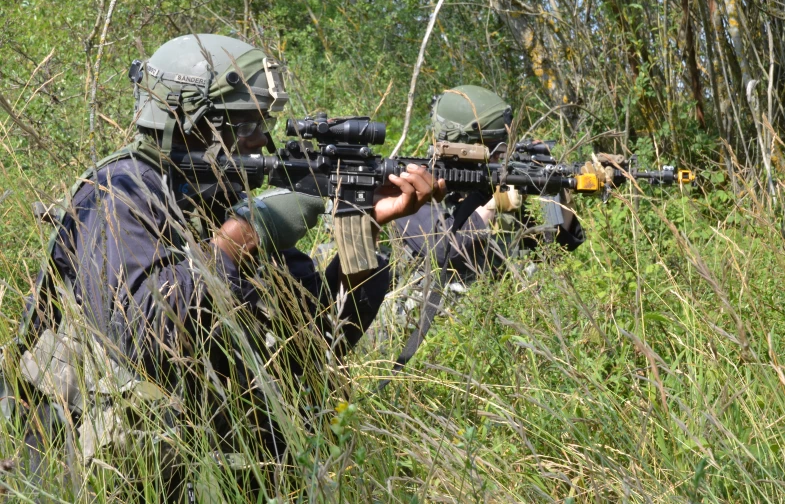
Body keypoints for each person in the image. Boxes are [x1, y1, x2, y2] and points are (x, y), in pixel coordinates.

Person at [7, 34, 445, 499]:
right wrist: (245, 233)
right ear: (190, 121)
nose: (263, 139)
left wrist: (365, 231)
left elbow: (319, 341)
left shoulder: (216, 196)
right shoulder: (119, 193)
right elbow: (148, 337)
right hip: (100, 469)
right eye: (247, 123)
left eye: (265, 121)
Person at [393, 85, 585, 287]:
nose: (499, 156)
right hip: (427, 313)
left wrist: (564, 192)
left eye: (504, 145)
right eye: (490, 147)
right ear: (458, 144)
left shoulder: (491, 186)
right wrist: (492, 206)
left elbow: (554, 250)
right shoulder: (416, 185)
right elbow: (443, 251)